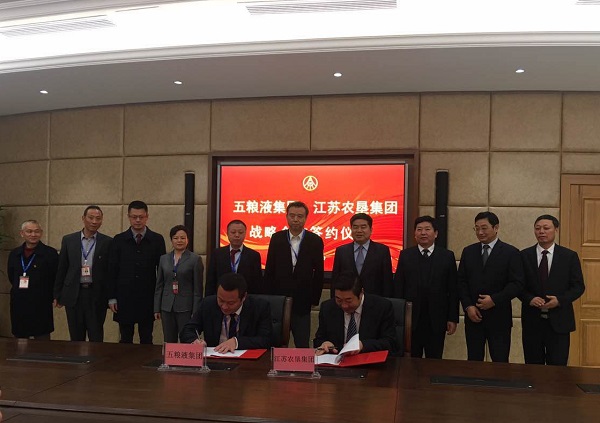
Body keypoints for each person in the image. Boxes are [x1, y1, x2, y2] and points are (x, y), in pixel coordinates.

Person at [457, 211, 524, 362]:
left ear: (496, 228)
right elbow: (461, 282)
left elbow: (517, 284)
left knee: (500, 361)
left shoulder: (511, 252)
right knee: (474, 361)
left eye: (484, 228)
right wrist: (468, 306)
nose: (480, 232)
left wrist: (494, 300)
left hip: (499, 317)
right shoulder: (468, 251)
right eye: (477, 228)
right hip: (473, 317)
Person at [520, 215, 585, 365]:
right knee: (532, 367)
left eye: (546, 228)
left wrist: (559, 300)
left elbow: (578, 286)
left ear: (556, 229)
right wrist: (530, 298)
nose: (541, 231)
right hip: (532, 322)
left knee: (558, 367)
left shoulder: (569, 256)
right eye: (537, 228)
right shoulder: (524, 255)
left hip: (560, 321)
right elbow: (517, 285)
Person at [394, 216, 459, 359]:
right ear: (414, 234)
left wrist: (453, 318)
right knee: (412, 360)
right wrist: (399, 318)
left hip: (437, 318)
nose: (423, 233)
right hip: (411, 319)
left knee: (435, 360)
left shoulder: (447, 256)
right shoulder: (406, 255)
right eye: (419, 230)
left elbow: (453, 290)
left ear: (435, 233)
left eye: (427, 229)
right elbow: (399, 288)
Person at [263, 201, 324, 347]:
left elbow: (319, 273)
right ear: (286, 217)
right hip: (279, 299)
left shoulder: (315, 240)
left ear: (306, 218)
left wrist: (314, 299)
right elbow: (270, 269)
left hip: (303, 300)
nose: (295, 219)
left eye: (300, 216)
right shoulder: (277, 238)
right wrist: (268, 297)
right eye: (292, 216)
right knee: (277, 342)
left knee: (302, 343)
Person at [107, 200, 166, 344]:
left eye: (141, 217)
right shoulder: (119, 240)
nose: (138, 220)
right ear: (128, 217)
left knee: (147, 337)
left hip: (147, 296)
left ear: (147, 217)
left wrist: (159, 300)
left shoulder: (157, 239)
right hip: (124, 296)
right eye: (134, 217)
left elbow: (162, 272)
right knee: (125, 338)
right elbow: (112, 271)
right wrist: (112, 297)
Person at [53, 206, 112, 342]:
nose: (94, 221)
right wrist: (57, 294)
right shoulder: (69, 240)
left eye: (98, 218)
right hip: (74, 294)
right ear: (83, 218)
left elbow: (110, 272)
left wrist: (111, 296)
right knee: (76, 336)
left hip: (96, 295)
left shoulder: (108, 242)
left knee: (96, 336)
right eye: (91, 218)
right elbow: (62, 268)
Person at [180, 273, 272, 351]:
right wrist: (194, 341)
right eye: (220, 300)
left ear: (243, 297)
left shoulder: (260, 307)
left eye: (230, 303)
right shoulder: (208, 304)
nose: (224, 306)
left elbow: (266, 340)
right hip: (214, 359)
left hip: (246, 362)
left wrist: (237, 342)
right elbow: (187, 330)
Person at [314, 274, 396, 355]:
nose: (344, 305)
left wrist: (363, 345)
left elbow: (390, 343)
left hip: (369, 360)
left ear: (361, 293)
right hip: (337, 360)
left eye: (348, 301)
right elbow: (318, 340)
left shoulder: (382, 307)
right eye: (339, 300)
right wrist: (324, 343)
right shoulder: (327, 308)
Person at [7, 220, 58, 339]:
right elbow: (11, 276)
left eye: (36, 231)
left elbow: (55, 277)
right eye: (29, 231)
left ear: (41, 233)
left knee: (42, 340)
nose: (33, 235)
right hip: (19, 301)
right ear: (22, 233)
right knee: (20, 340)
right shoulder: (15, 254)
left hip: (41, 302)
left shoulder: (50, 253)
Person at [154, 225, 204, 343]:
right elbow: (159, 285)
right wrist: (156, 308)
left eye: (183, 238)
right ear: (171, 240)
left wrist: (196, 311)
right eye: (176, 238)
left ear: (187, 240)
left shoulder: (195, 259)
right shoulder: (163, 259)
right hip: (166, 306)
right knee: (168, 339)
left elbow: (198, 289)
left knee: (186, 338)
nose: (179, 241)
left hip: (186, 306)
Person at [331, 213, 393, 297]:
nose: (359, 231)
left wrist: (386, 302)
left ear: (371, 230)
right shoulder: (341, 251)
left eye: (363, 227)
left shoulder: (382, 251)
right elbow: (335, 280)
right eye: (355, 227)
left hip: (374, 300)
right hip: (348, 300)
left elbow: (387, 281)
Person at [206, 219, 262, 296]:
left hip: (245, 298)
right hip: (222, 297)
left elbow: (257, 283)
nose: (237, 235)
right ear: (227, 233)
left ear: (245, 234)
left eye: (240, 232)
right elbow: (211, 280)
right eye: (233, 232)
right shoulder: (217, 254)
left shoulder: (253, 255)